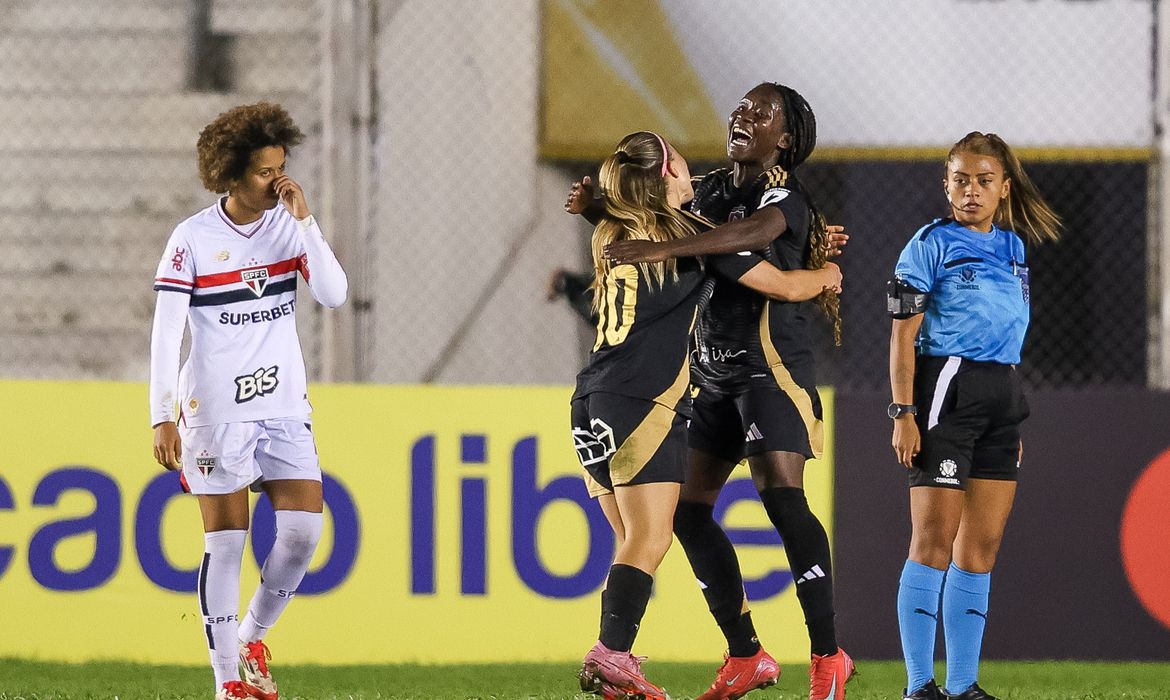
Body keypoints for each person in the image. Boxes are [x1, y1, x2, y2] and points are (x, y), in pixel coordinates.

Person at [602, 82, 853, 700]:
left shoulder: (785, 197)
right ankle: (745, 654)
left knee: (782, 499)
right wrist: (593, 209)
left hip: (770, 373)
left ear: (785, 138)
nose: (742, 115)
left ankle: (827, 656)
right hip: (711, 378)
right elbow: (665, 216)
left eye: (760, 112)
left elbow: (754, 233)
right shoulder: (711, 190)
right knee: (687, 512)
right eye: (740, 106)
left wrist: (666, 244)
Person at [149, 102, 348, 700]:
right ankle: (228, 682)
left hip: (284, 403)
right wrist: (162, 415)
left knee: (302, 534)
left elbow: (334, 295)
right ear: (230, 174)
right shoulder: (192, 239)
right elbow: (166, 333)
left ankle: (252, 635)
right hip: (215, 411)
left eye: (281, 168)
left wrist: (307, 221)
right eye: (265, 172)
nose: (278, 182)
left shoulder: (288, 225)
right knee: (227, 543)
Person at [888, 132, 1061, 700]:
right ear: (946, 183)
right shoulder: (927, 245)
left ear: (1003, 188)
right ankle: (919, 686)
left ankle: (963, 686)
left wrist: (1008, 417)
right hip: (946, 389)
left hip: (1002, 397)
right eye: (960, 179)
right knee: (932, 541)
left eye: (984, 181)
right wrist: (904, 412)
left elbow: (1009, 333)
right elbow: (903, 339)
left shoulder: (1014, 248)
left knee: (980, 549)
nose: (971, 190)